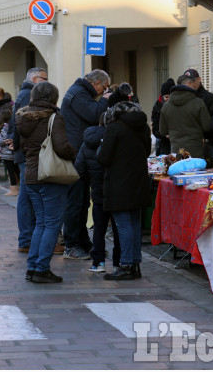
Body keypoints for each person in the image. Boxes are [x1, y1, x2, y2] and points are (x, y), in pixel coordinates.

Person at [16, 81, 76, 284]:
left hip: (31, 175)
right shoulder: (53, 117)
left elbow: (22, 146)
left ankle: (32, 267)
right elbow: (61, 147)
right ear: (53, 98)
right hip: (50, 175)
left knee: (40, 223)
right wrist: (73, 151)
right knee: (52, 223)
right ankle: (41, 268)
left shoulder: (22, 117)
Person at [97, 100, 151, 280]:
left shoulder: (114, 128)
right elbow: (146, 150)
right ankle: (134, 263)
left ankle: (126, 264)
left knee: (123, 224)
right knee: (134, 222)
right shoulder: (143, 127)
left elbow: (104, 158)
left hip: (119, 183)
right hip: (138, 180)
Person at [60, 69, 111, 260]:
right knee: (75, 202)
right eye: (104, 88)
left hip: (79, 153)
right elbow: (95, 114)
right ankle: (71, 245)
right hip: (75, 155)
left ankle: (82, 242)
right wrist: (106, 100)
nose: (103, 91)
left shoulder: (79, 92)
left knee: (82, 202)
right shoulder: (79, 94)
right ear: (97, 83)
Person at [7, 67, 48, 254]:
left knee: (27, 194)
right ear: (34, 78)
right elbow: (18, 123)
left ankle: (27, 238)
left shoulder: (26, 93)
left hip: (24, 151)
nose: (46, 82)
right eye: (43, 78)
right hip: (26, 153)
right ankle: (26, 238)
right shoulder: (28, 94)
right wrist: (17, 144)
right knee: (26, 195)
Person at [75, 113, 122, 273]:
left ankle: (98, 262)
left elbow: (79, 169)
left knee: (99, 229)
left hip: (97, 191)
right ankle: (118, 262)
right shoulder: (116, 140)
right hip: (116, 192)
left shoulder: (87, 142)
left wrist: (91, 179)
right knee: (118, 229)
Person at [159, 74, 211, 158]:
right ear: (189, 84)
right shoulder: (198, 102)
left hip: (176, 150)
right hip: (196, 150)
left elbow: (163, 131)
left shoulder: (166, 106)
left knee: (178, 170)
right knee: (195, 171)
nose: (194, 86)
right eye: (193, 84)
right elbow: (206, 126)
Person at [184, 68, 213, 158]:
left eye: (192, 80)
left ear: (198, 79)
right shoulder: (184, 98)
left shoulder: (209, 98)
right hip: (190, 143)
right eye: (187, 81)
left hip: (207, 144)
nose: (190, 84)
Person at [0, 110, 19, 196]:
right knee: (17, 171)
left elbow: (3, 141)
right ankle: (22, 187)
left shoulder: (4, 127)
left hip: (7, 154)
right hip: (13, 152)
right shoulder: (13, 126)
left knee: (11, 172)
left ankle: (13, 189)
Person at [151, 78, 174, 156]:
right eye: (166, 97)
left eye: (171, 97)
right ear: (162, 96)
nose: (168, 100)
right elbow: (155, 129)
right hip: (163, 144)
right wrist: (165, 135)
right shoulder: (157, 107)